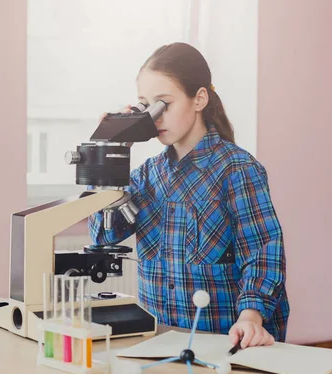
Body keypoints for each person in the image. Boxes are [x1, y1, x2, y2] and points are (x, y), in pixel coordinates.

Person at [88, 42, 289, 348]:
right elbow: (104, 236)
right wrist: (111, 158)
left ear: (199, 99)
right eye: (145, 105)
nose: (154, 118)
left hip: (225, 339)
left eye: (163, 104)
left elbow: (263, 252)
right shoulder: (146, 175)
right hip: (161, 339)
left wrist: (250, 317)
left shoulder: (236, 169)